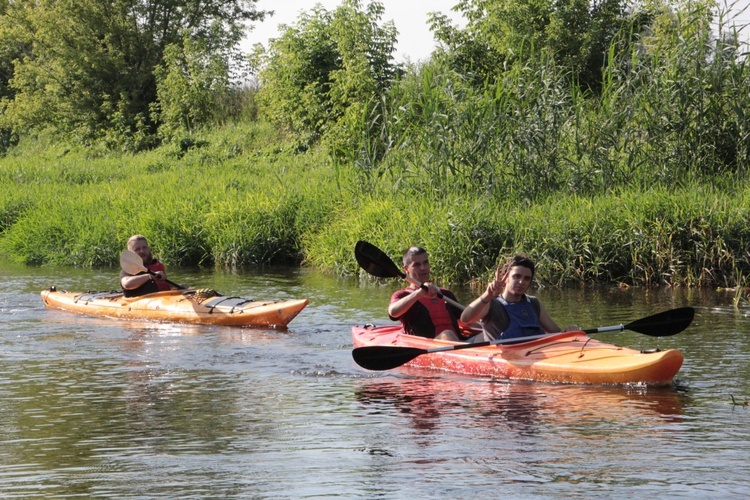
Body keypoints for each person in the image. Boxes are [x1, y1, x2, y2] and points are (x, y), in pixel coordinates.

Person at [461, 254, 574, 342]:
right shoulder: (492, 304)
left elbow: (556, 332)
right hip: (507, 357)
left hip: (535, 352)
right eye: (516, 276)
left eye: (526, 278)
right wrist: (487, 295)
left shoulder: (534, 303)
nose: (521, 282)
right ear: (506, 278)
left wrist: (568, 331)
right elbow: (465, 318)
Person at [387, 246, 465, 341]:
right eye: (417, 265)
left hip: (459, 345)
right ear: (406, 269)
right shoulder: (402, 295)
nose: (423, 268)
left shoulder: (445, 294)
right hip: (429, 346)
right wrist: (418, 294)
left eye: (425, 262)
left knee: (485, 333)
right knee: (448, 334)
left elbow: (467, 319)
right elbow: (393, 312)